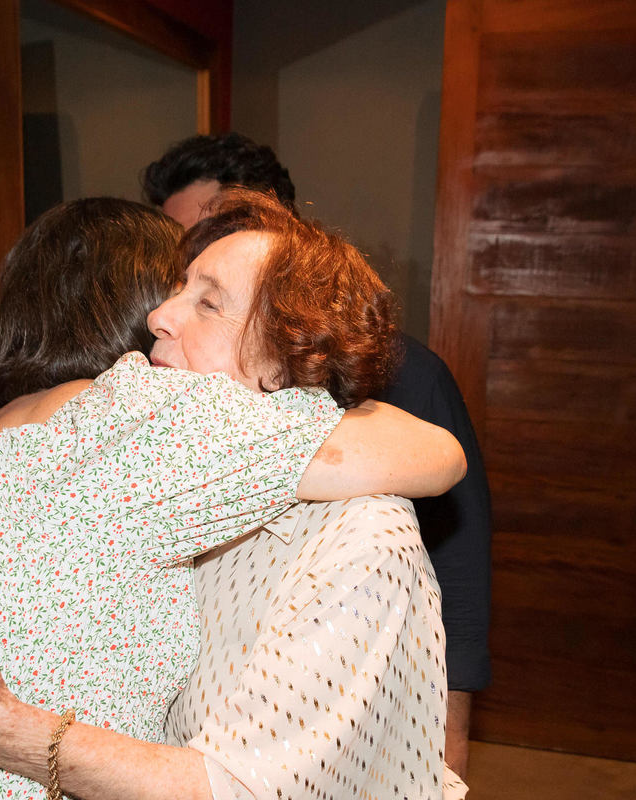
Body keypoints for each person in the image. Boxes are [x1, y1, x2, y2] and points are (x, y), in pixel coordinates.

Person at [0, 193, 467, 798]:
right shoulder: (143, 433)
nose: (158, 316)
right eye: (174, 288)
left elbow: (241, 788)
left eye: (207, 302)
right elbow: (436, 452)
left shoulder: (354, 540)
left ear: (286, 361)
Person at [142, 132, 492, 776]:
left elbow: (456, 557)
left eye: (210, 292)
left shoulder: (407, 377)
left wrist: (447, 743)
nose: (162, 312)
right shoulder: (164, 406)